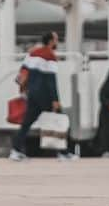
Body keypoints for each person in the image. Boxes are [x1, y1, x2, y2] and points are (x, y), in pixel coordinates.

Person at [10, 31, 70, 161]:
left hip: (32, 93)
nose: (57, 42)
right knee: (58, 120)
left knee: (26, 123)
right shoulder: (49, 55)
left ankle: (15, 151)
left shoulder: (32, 53)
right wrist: (55, 100)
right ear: (51, 41)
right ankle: (63, 153)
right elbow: (50, 80)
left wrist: (24, 89)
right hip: (45, 95)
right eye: (56, 39)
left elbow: (23, 72)